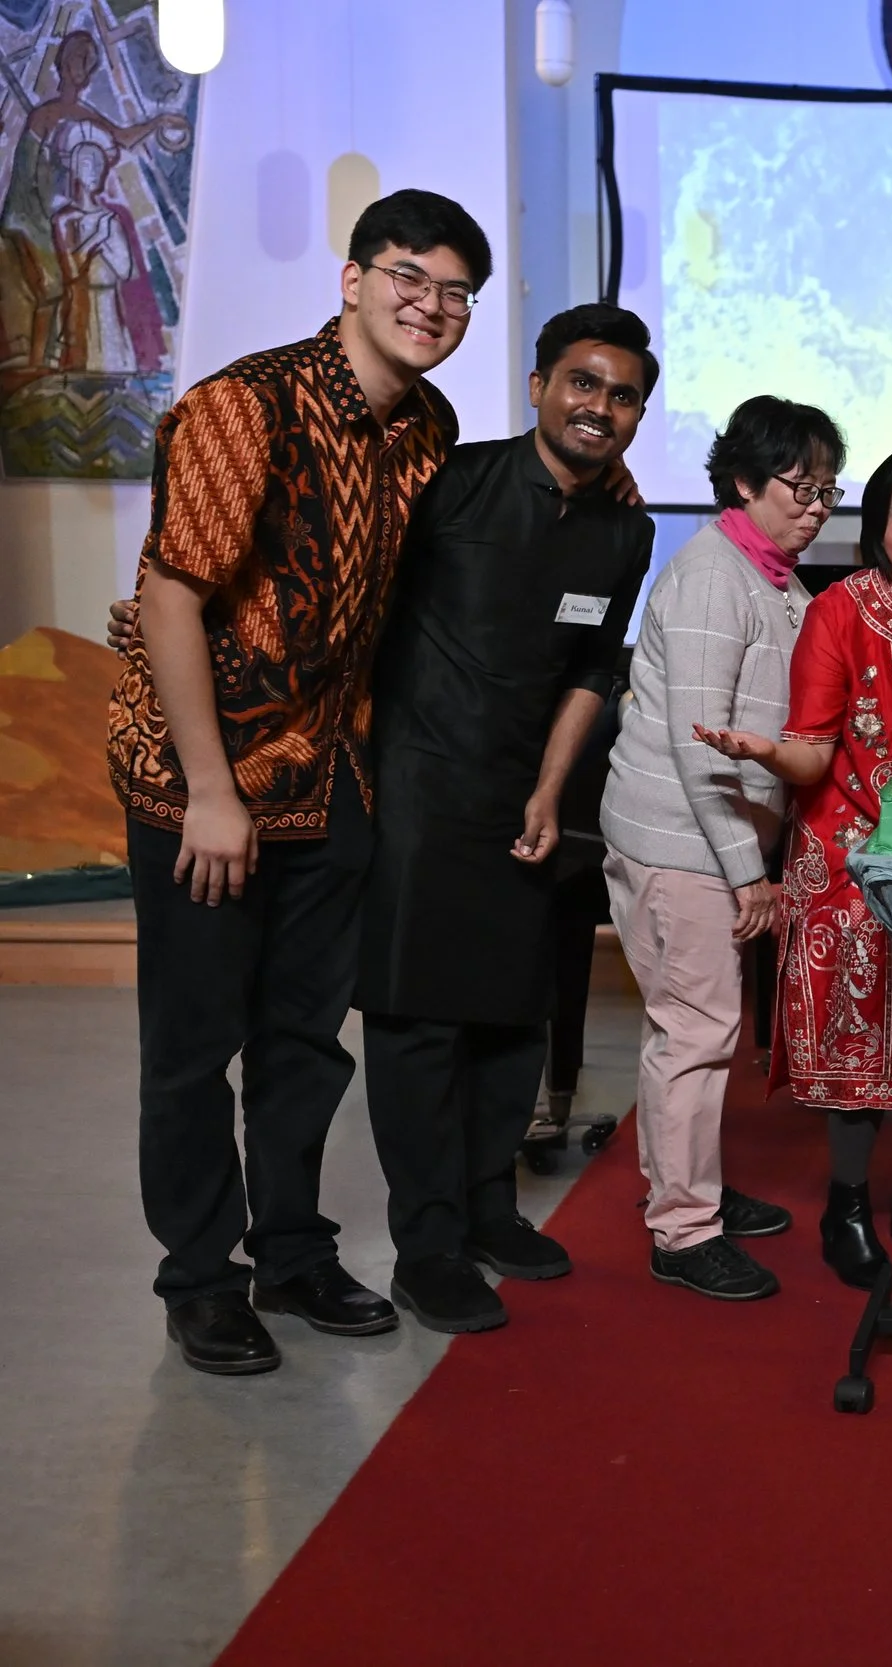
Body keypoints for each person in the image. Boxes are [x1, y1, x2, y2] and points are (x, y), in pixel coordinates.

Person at [105, 188, 485, 1375]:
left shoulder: (425, 427)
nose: (431, 305)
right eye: (409, 277)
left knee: (306, 1042)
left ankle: (292, 1249)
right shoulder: (244, 404)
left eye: (455, 291)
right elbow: (171, 595)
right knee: (191, 1043)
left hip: (329, 774)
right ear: (355, 279)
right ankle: (200, 1276)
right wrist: (212, 790)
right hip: (199, 780)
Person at [353, 304, 659, 1333]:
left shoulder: (626, 526)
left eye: (621, 395)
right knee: (419, 1023)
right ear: (537, 386)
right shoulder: (452, 479)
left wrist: (548, 789)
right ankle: (426, 1246)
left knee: (509, 1015)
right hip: (420, 786)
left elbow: (589, 669)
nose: (599, 406)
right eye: (582, 382)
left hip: (530, 798)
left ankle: (489, 1210)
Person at [696, 442, 892, 1289]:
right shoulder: (840, 609)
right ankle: (849, 1205)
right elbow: (814, 756)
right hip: (851, 858)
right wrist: (765, 754)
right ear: (877, 526)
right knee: (860, 1042)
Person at [603, 396, 839, 1300]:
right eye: (800, 485)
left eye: (828, 487)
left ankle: (683, 1185)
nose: (818, 505)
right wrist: (749, 873)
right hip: (683, 845)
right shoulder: (714, 577)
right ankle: (682, 1229)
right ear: (743, 482)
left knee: (696, 1028)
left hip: (707, 842)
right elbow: (699, 741)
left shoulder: (773, 576)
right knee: (698, 1031)